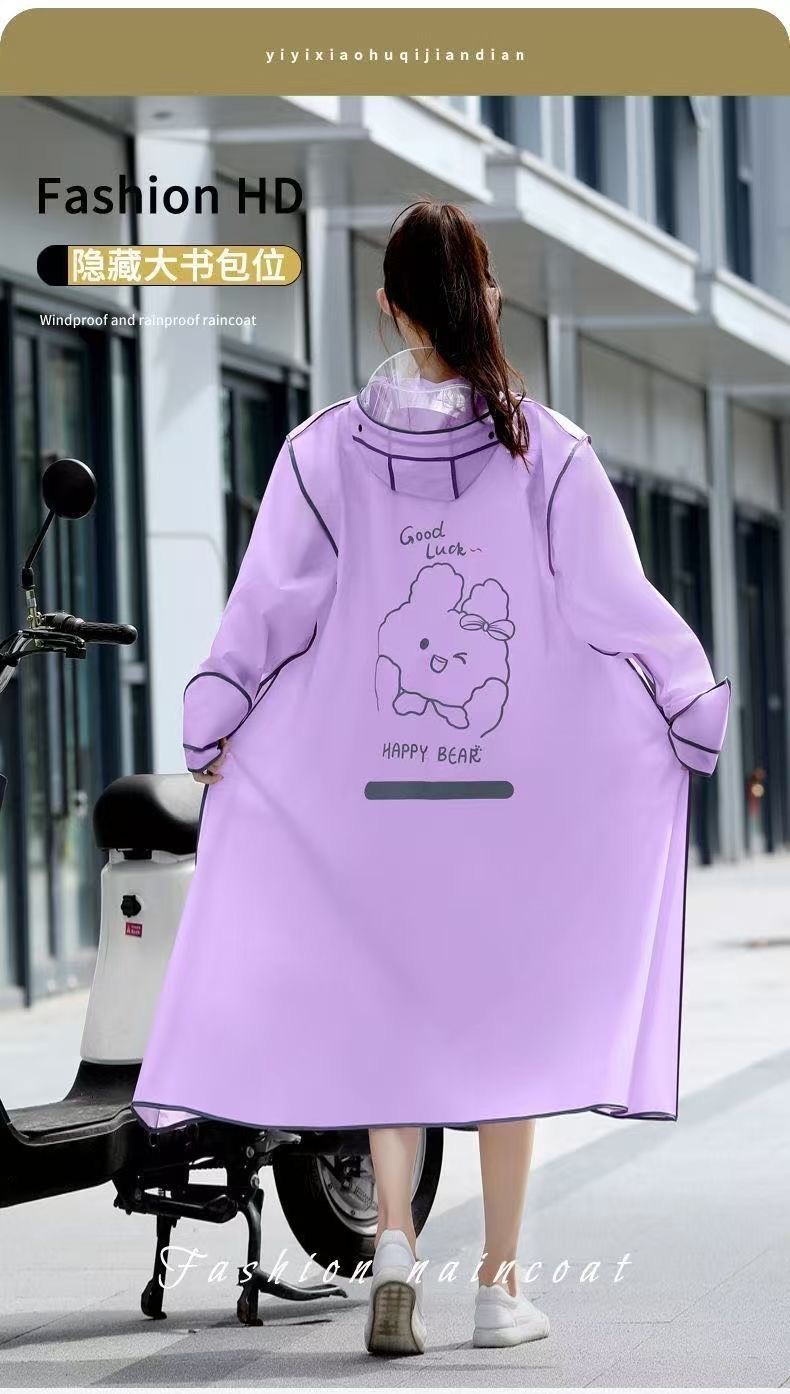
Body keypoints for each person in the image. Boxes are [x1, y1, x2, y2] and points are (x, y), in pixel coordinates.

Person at [133, 201, 730, 1356]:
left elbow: (267, 612)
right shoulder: (548, 452)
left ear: (390, 307)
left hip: (375, 811)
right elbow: (617, 605)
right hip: (505, 813)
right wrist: (686, 702)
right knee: (501, 1027)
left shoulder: (321, 455)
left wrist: (217, 714)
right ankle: (500, 1286)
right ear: (486, 298)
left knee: (388, 1021)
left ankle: (397, 1246)